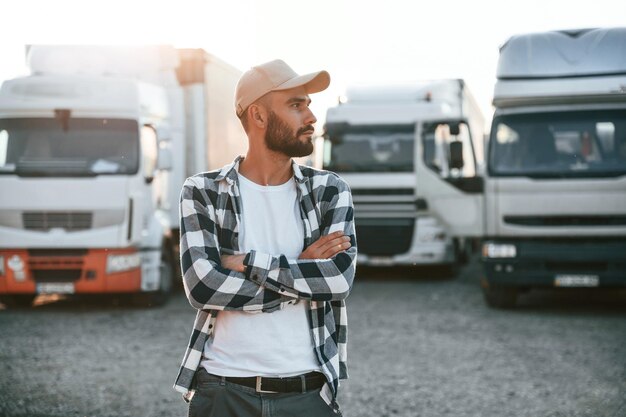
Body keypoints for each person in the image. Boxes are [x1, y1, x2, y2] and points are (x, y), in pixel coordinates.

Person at [174, 59, 357, 416]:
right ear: (258, 116)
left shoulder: (329, 191)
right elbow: (204, 288)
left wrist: (247, 263)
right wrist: (302, 269)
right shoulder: (204, 191)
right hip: (223, 391)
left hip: (306, 393)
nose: (311, 116)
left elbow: (336, 280)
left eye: (307, 104)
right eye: (295, 104)